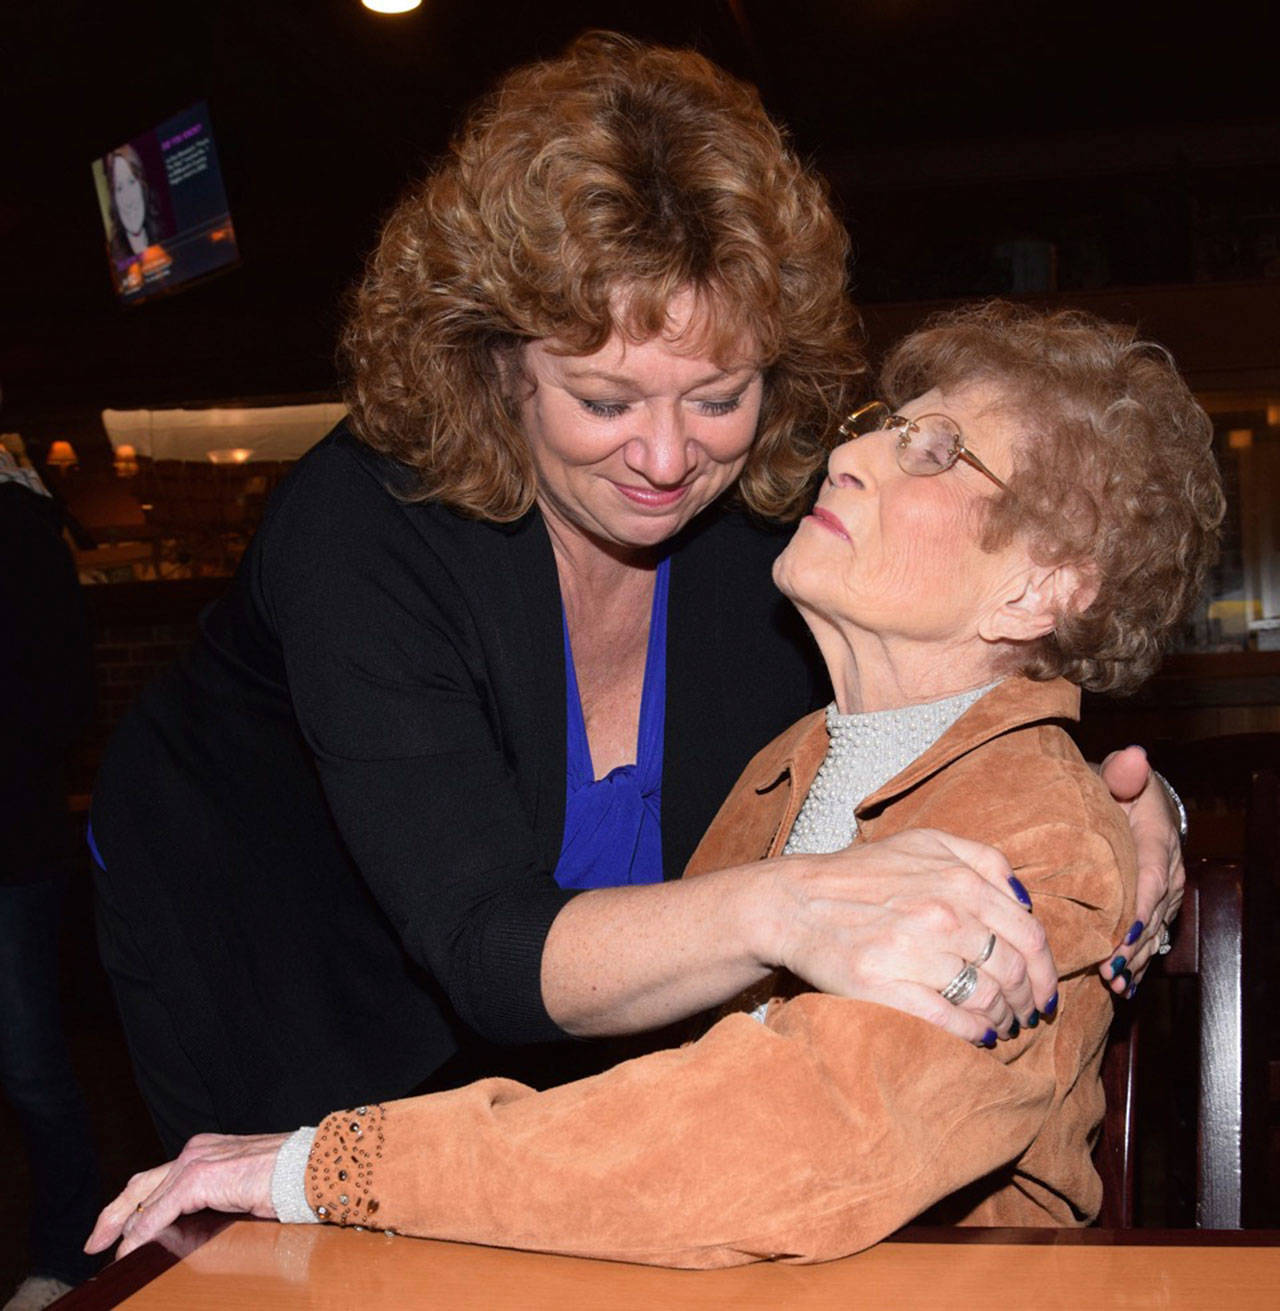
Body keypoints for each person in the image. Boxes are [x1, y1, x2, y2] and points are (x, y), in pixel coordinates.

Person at [89, 33, 1181, 1158]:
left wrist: (1118, 807)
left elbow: (969, 629)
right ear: (496, 363)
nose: (665, 460)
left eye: (716, 396)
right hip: (270, 929)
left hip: (574, 998)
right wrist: (793, 906)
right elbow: (485, 949)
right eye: (605, 401)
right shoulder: (364, 526)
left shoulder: (782, 517)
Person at [90, 301, 1224, 1265]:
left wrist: (330, 1162)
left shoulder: (1031, 830)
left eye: (931, 451)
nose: (847, 453)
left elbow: (774, 1146)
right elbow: (637, 1082)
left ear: (1038, 590)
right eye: (881, 427)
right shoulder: (789, 766)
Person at [1, 445, 101, 1310]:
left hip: (9, 840)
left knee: (28, 1061)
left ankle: (68, 1253)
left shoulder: (23, 529)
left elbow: (69, 694)